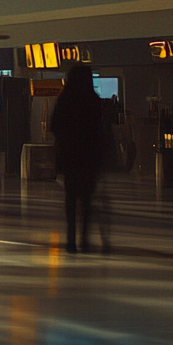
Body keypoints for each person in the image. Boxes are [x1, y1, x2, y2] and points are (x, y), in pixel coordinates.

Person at [50, 65, 108, 254]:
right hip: (89, 157)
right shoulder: (93, 101)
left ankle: (70, 240)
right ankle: (84, 238)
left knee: (71, 199)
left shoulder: (64, 101)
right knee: (87, 200)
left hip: (69, 156)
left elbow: (55, 127)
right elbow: (99, 133)